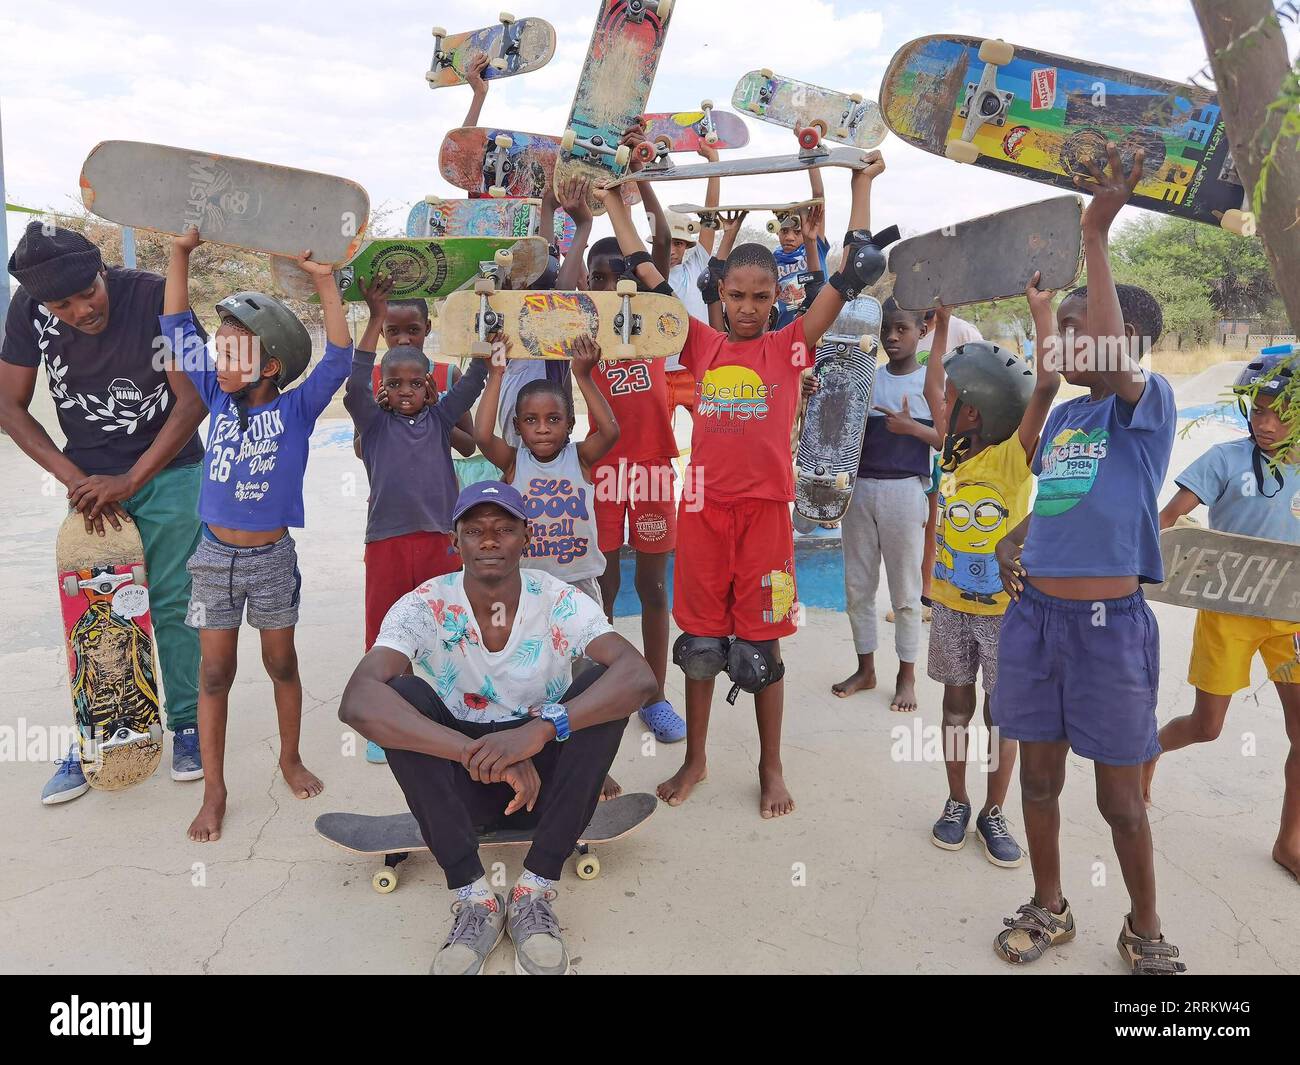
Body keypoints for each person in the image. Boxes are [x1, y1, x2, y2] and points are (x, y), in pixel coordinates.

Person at [595, 151, 890, 818]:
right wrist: (617, 201)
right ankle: (696, 758)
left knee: (759, 651)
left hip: (763, 519)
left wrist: (859, 185)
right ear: (721, 294)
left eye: (762, 297)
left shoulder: (790, 346)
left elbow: (850, 270)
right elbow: (647, 271)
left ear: (776, 298)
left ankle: (770, 765)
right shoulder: (699, 344)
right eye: (738, 296)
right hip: (701, 515)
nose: (750, 308)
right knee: (699, 647)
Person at [991, 147, 1186, 973]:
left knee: (1122, 801)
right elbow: (1054, 492)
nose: (1071, 346)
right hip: (1036, 619)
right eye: (1065, 335)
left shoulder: (1146, 407)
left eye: (1084, 329)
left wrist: (1095, 231)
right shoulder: (1071, 418)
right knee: (1039, 782)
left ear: (1125, 340)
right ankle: (1051, 902)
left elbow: (1104, 358)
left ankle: (1142, 926)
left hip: (1109, 630)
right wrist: (1017, 534)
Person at [338, 481, 657, 975]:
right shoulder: (424, 604)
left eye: (504, 529)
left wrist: (540, 732)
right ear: (455, 540)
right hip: (461, 779)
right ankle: (475, 901)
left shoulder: (557, 599)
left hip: (546, 780)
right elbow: (357, 700)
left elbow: (639, 676)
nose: (490, 540)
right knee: (401, 696)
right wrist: (479, 752)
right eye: (475, 530)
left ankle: (533, 893)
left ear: (526, 538)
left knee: (601, 684)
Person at [1, 222, 209, 801]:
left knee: (170, 602)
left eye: (87, 293)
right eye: (61, 305)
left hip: (170, 472)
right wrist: (77, 480)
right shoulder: (29, 311)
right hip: (90, 479)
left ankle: (188, 724)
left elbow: (192, 400)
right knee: (97, 613)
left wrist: (131, 479)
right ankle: (103, 735)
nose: (79, 311)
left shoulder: (152, 294)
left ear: (101, 272)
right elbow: (9, 406)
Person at [162, 229, 350, 842]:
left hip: (271, 557)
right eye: (218, 350)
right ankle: (215, 791)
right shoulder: (216, 393)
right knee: (214, 676)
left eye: (233, 351)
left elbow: (340, 360)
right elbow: (175, 331)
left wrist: (325, 282)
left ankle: (289, 758)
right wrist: (179, 255)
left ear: (270, 365)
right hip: (213, 558)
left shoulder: (296, 409)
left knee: (281, 662)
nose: (218, 360)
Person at [1146, 353, 1300, 881]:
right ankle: (1150, 751)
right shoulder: (1223, 459)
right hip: (1229, 611)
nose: (1266, 423)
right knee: (1207, 727)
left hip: (1292, 619)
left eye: (1279, 413)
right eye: (1258, 411)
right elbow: (1167, 519)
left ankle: (1289, 842)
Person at [921, 294, 1059, 868]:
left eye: (951, 400)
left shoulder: (1012, 458)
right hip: (952, 608)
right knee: (956, 707)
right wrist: (943, 324)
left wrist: (1042, 313)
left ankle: (992, 811)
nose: (939, 403)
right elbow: (934, 387)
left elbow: (1046, 386)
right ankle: (957, 800)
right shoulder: (951, 455)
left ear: (972, 411)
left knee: (1002, 715)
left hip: (1006, 612)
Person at [347, 275, 489, 766]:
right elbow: (353, 383)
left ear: (430, 385)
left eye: (415, 383)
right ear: (381, 389)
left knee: (447, 626)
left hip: (438, 541)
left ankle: (448, 712)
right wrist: (370, 321)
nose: (405, 391)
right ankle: (382, 718)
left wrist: (485, 338)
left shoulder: (440, 419)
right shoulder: (374, 423)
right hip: (386, 541)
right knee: (385, 629)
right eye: (394, 384)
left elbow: (472, 381)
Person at [832, 299, 936, 712]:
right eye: (886, 331)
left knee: (906, 592)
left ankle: (906, 676)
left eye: (901, 329)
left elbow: (948, 442)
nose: (891, 337)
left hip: (905, 491)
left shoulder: (931, 382)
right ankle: (866, 668)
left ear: (920, 332)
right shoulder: (867, 380)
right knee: (858, 586)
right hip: (859, 489)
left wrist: (911, 427)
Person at [474, 337, 616, 609]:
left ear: (570, 422)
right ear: (517, 427)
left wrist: (582, 375)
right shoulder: (515, 462)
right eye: (531, 420)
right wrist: (495, 374)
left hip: (579, 582)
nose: (542, 428)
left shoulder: (580, 458)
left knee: (583, 650)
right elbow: (482, 435)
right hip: (529, 583)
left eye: (554, 419)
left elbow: (610, 432)